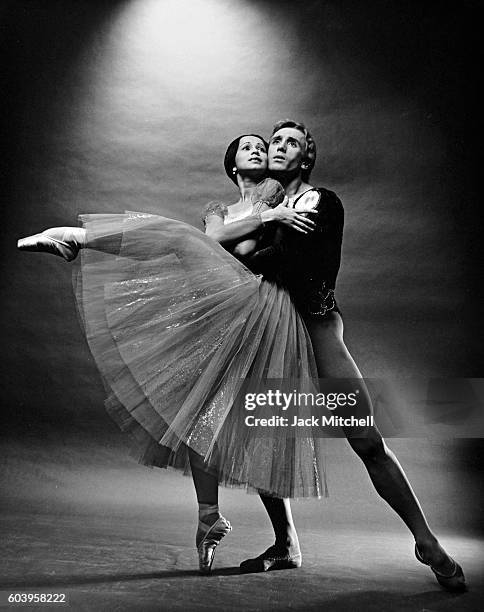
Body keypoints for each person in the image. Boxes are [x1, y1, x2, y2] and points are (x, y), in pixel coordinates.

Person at [17, 133, 321, 575]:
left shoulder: (276, 194)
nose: (257, 150)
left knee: (179, 238)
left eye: (263, 146)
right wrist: (267, 217)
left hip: (261, 304)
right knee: (202, 419)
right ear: (233, 167)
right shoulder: (219, 211)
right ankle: (208, 519)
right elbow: (215, 237)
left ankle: (76, 237)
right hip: (222, 307)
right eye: (246, 148)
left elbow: (275, 241)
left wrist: (271, 211)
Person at [236, 119, 466, 591]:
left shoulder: (321, 202)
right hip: (271, 331)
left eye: (291, 143)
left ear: (306, 158)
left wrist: (250, 249)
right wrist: (260, 226)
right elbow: (243, 257)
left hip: (316, 330)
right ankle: (286, 544)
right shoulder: (267, 208)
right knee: (259, 436)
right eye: (275, 141)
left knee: (367, 439)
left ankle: (426, 540)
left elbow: (298, 265)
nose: (279, 148)